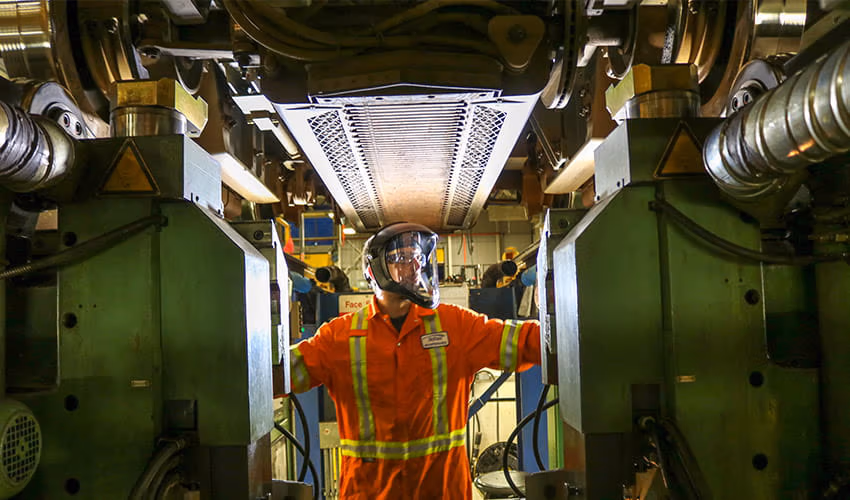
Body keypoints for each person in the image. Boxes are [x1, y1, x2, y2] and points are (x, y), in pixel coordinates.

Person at [289, 222, 540, 499]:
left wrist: (571, 332)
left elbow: (525, 342)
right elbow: (279, 374)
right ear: (376, 270)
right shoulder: (339, 337)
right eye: (401, 258)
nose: (414, 266)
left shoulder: (456, 326)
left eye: (417, 257)